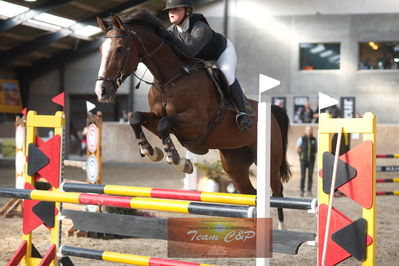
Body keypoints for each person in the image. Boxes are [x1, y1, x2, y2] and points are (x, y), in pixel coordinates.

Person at [162, 0, 253, 131]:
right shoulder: (171, 30)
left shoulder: (200, 27)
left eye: (175, 9)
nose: (171, 13)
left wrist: (169, 39)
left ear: (187, 11)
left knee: (226, 74)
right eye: (170, 10)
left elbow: (189, 52)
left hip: (221, 53)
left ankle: (243, 113)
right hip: (201, 59)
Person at [296, 126, 317, 197]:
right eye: (308, 130)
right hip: (303, 160)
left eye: (310, 130)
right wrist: (301, 155)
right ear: (305, 131)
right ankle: (302, 190)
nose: (309, 131)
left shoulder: (314, 140)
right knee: (303, 176)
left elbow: (316, 149)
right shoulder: (301, 139)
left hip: (311, 160)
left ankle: (309, 191)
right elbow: (297, 149)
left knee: (310, 176)